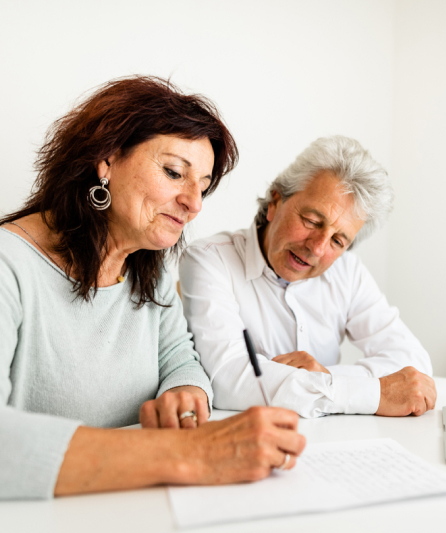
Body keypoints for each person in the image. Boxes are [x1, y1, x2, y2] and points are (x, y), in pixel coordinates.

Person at [0, 76, 305, 501]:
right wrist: (192, 453)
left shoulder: (148, 264)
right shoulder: (8, 266)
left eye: (202, 185)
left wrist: (184, 394)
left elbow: (180, 357)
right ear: (106, 159)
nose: (194, 203)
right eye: (174, 172)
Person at [179, 136, 436, 418]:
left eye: (338, 241)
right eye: (312, 222)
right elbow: (228, 378)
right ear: (276, 201)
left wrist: (326, 376)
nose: (317, 247)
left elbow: (414, 365)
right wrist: (367, 392)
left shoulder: (348, 272)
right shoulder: (209, 259)